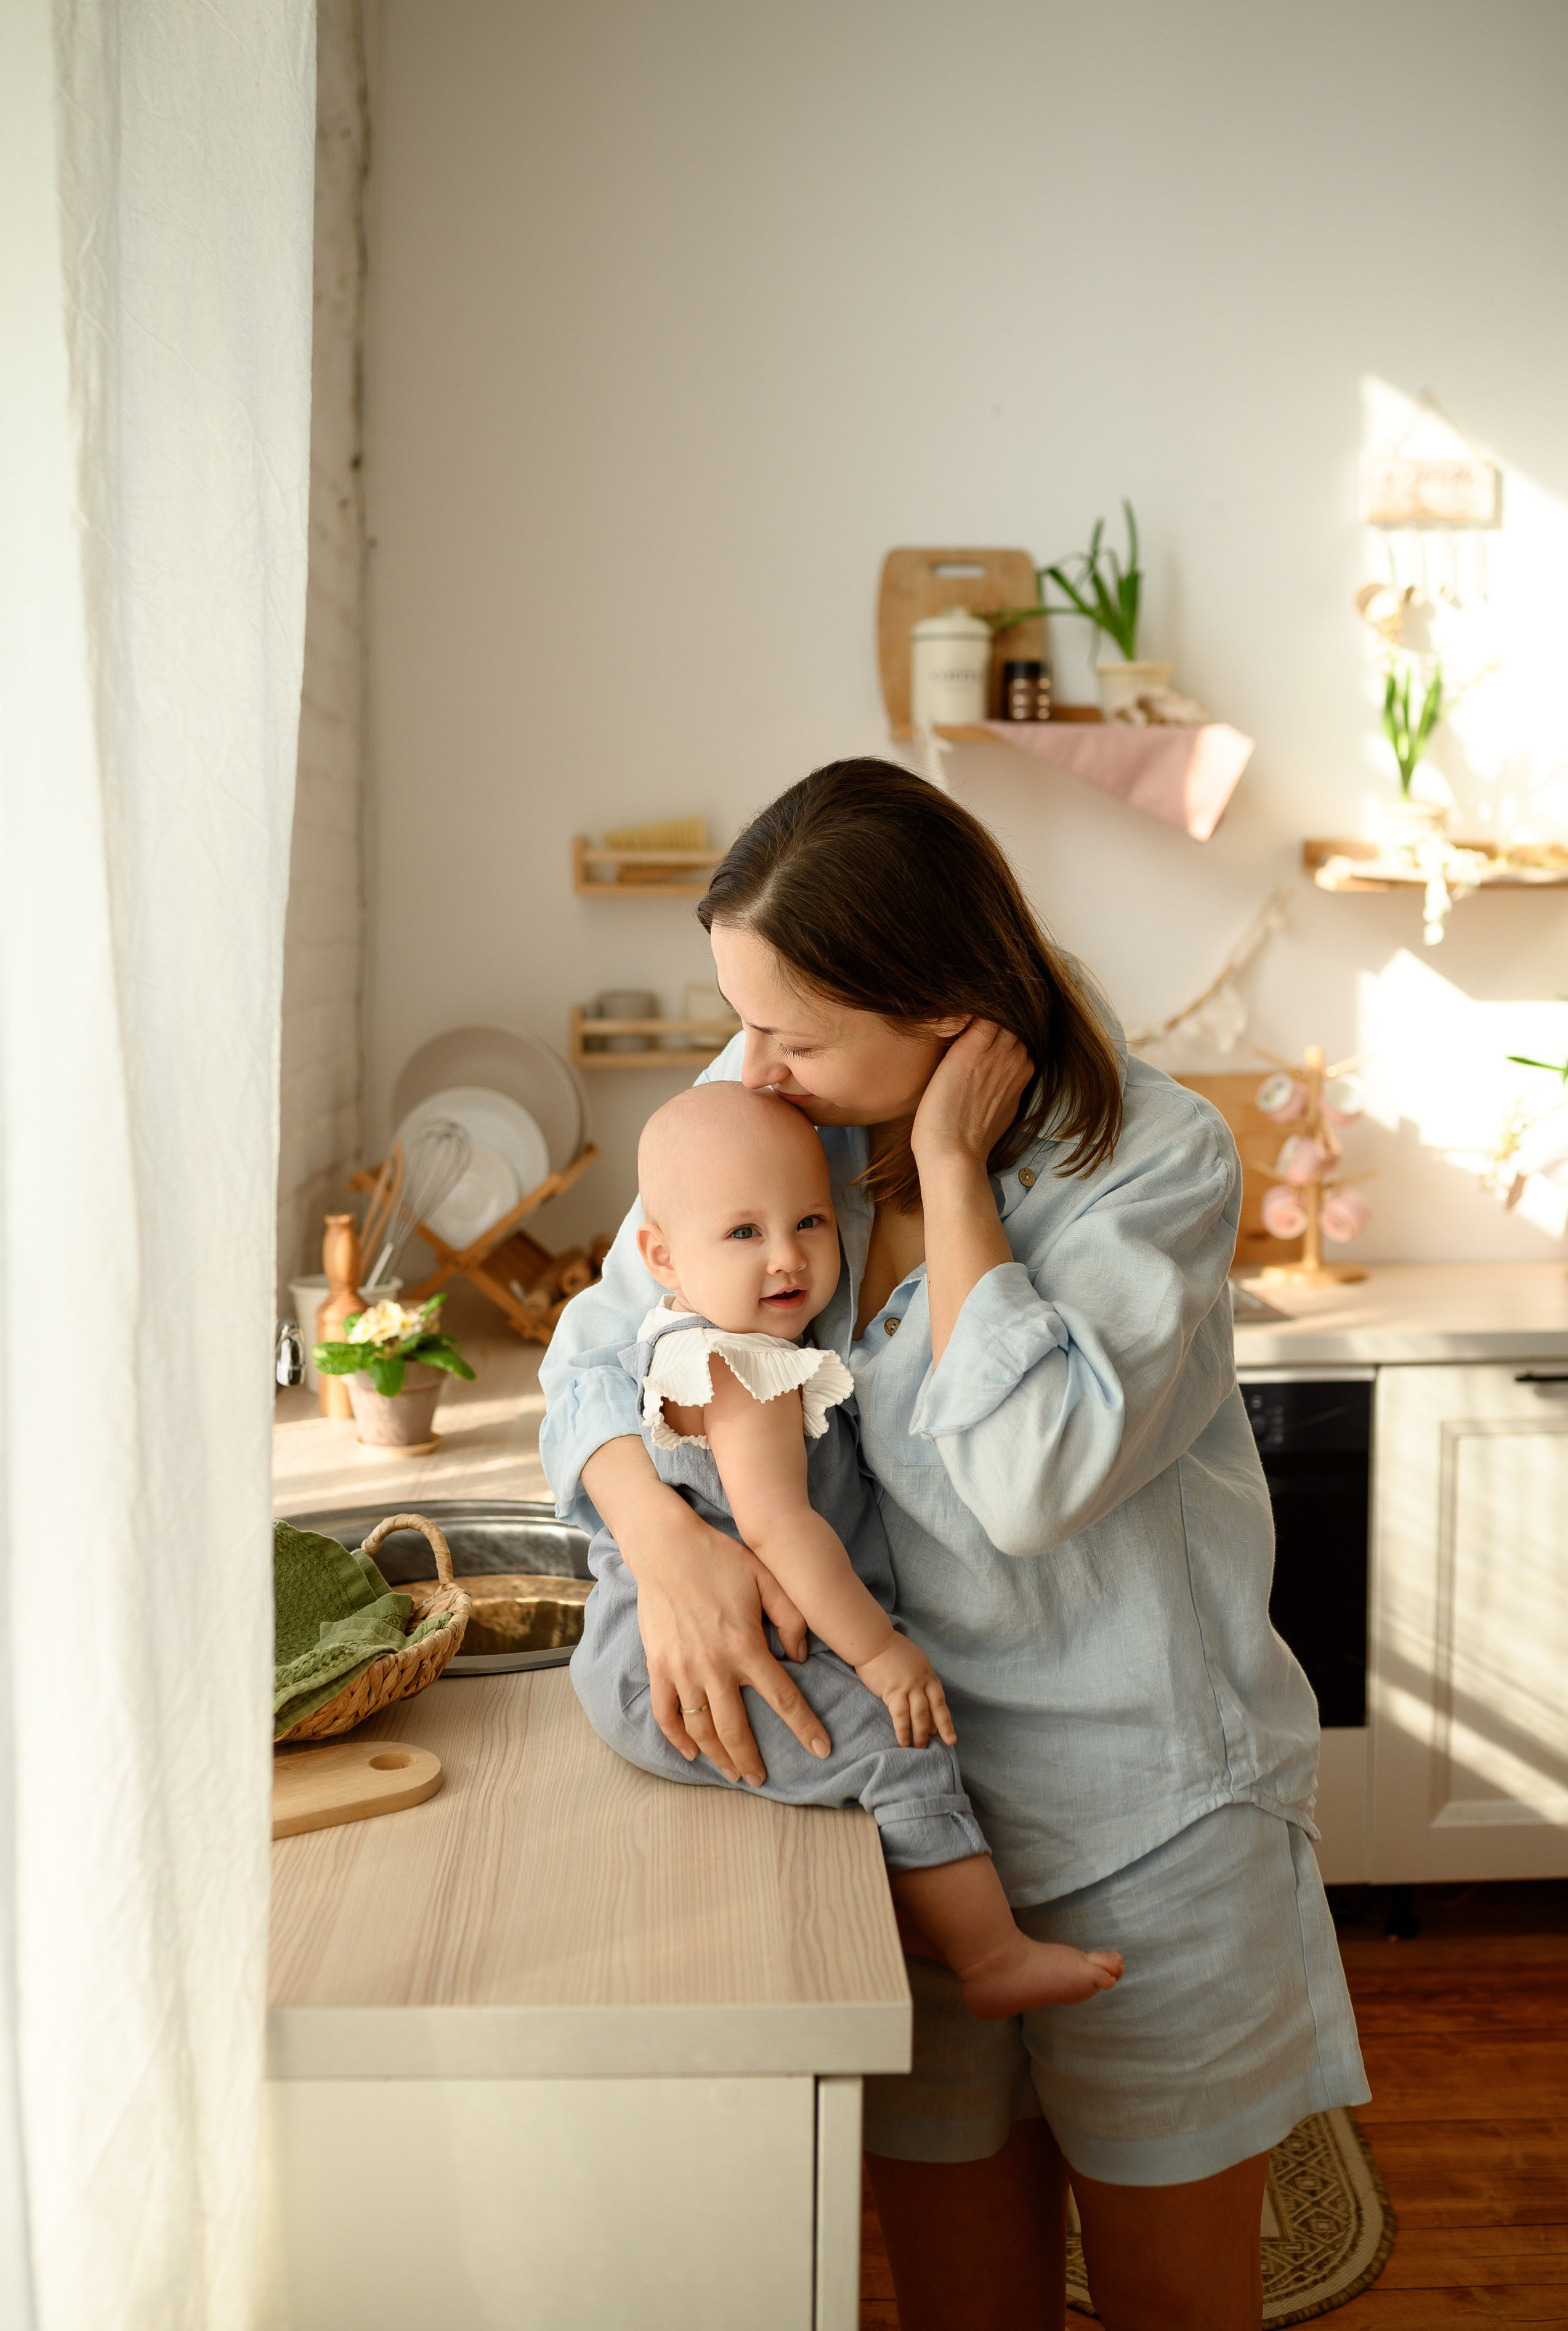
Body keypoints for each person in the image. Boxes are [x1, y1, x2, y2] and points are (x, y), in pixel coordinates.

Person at [542, 758, 1368, 2331]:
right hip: (904, 1827)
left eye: (793, 1035)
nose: (753, 1066)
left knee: (1172, 2308)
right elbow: (598, 1344)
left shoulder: (1153, 1159)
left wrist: (944, 1171)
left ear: (938, 1004)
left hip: (1144, 1831)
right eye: (742, 1021)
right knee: (959, 2305)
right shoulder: (782, 1093)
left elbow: (1027, 1480)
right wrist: (660, 1538)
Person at [572, 1077, 1125, 2018]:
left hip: (663, 1656)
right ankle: (992, 1957)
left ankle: (931, 1909)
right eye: (744, 1233)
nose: (787, 1257)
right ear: (661, 1256)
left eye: (811, 1222)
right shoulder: (745, 1370)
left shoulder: (686, 1335)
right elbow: (777, 1526)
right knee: (896, 1745)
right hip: (694, 1671)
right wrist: (880, 1653)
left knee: (873, 1760)